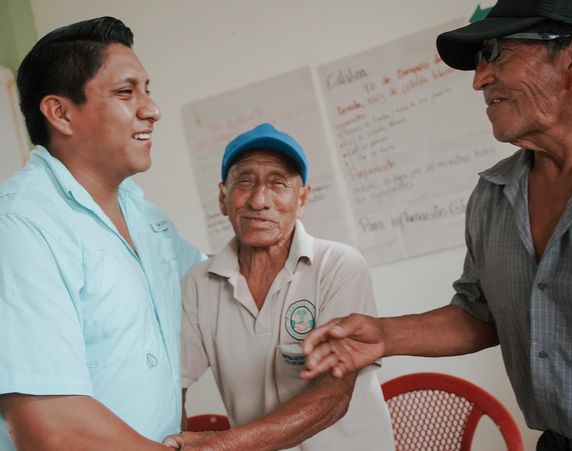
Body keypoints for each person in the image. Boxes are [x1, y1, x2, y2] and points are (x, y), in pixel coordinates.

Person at [301, 0, 572, 450]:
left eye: (496, 53)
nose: (479, 79)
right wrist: (383, 335)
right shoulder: (494, 195)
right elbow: (481, 314)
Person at [0, 17, 205, 450]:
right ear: (60, 114)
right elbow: (51, 427)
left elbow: (216, 287)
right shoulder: (20, 226)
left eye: (147, 89)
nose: (152, 109)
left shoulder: (146, 216)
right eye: (126, 92)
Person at [163, 123, 394, 450]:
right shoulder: (199, 284)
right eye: (244, 181)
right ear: (223, 197)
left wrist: (225, 445)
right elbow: (172, 388)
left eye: (278, 183)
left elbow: (334, 394)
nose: (259, 201)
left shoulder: (339, 265)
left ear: (302, 199)